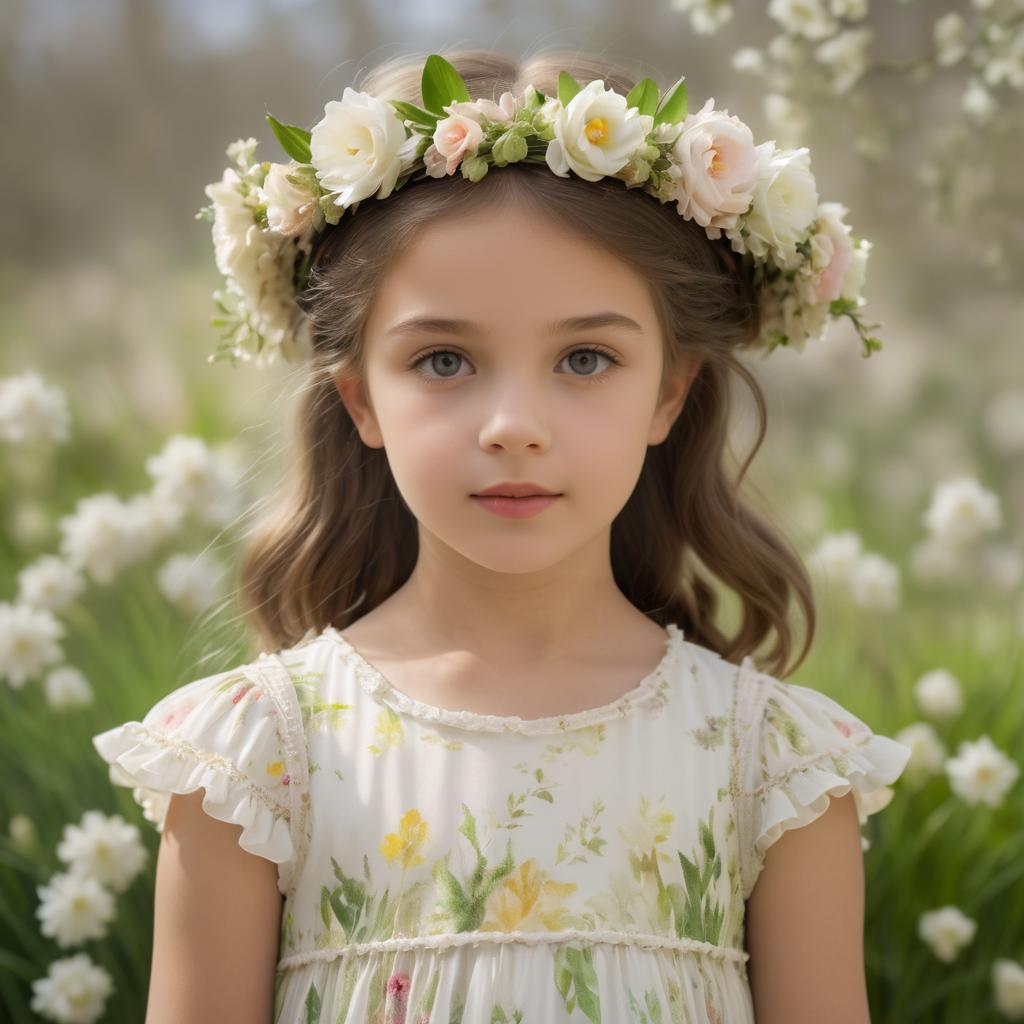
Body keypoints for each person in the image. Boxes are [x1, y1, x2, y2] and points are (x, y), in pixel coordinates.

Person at [92, 48, 911, 1024]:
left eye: (583, 357)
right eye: (444, 359)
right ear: (361, 400)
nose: (512, 423)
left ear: (668, 390)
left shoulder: (768, 764)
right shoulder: (258, 761)